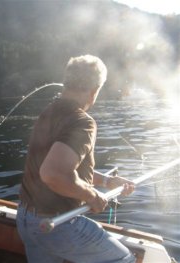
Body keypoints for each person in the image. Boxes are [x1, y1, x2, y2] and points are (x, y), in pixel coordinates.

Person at [16, 55, 136, 263]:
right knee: (124, 259)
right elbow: (53, 173)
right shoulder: (83, 122)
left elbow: (65, 169)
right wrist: (91, 195)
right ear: (95, 89)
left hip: (26, 219)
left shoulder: (48, 112)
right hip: (55, 225)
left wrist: (107, 182)